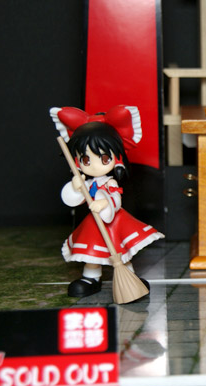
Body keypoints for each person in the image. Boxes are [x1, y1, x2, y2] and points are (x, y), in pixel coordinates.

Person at [51, 105, 164, 297]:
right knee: (92, 253)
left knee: (120, 252)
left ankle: (129, 277)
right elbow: (75, 199)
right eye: (86, 160)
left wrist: (104, 204)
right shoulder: (87, 182)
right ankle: (91, 278)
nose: (94, 166)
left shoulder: (110, 182)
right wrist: (77, 187)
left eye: (103, 158)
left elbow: (115, 199)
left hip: (114, 223)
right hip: (94, 225)